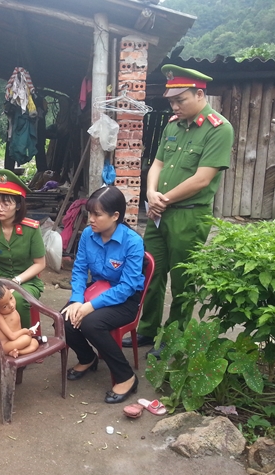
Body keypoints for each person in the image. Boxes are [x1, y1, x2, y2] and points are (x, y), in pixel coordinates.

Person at [123, 64, 234, 358]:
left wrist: (164, 198)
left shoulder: (219, 129)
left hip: (189, 215)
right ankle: (147, 328)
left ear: (199, 94)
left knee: (183, 279)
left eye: (179, 99)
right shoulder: (173, 125)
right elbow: (157, 164)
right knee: (151, 271)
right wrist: (150, 193)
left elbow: (202, 178)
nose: (174, 106)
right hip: (160, 213)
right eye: (171, 101)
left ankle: (172, 337)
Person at [61, 186, 145, 404]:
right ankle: (87, 358)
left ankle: (126, 376)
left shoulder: (133, 242)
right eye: (89, 213)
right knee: (65, 317)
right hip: (97, 288)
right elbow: (79, 270)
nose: (91, 219)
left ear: (115, 215)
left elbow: (127, 287)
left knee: (90, 323)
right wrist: (78, 299)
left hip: (125, 299)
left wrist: (90, 306)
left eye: (97, 214)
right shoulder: (89, 235)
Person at [0, 169, 46, 328]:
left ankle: (25, 343)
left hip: (26, 280)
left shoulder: (31, 229)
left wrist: (15, 282)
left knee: (19, 300)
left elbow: (40, 264)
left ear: (18, 206)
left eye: (6, 203)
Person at [0, 278, 39, 358]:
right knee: (26, 339)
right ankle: (12, 351)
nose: (11, 305)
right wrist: (25, 331)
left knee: (35, 342)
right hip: (3, 346)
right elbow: (11, 336)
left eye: (11, 298)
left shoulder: (8, 308)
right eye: (4, 306)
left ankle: (17, 352)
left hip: (14, 341)